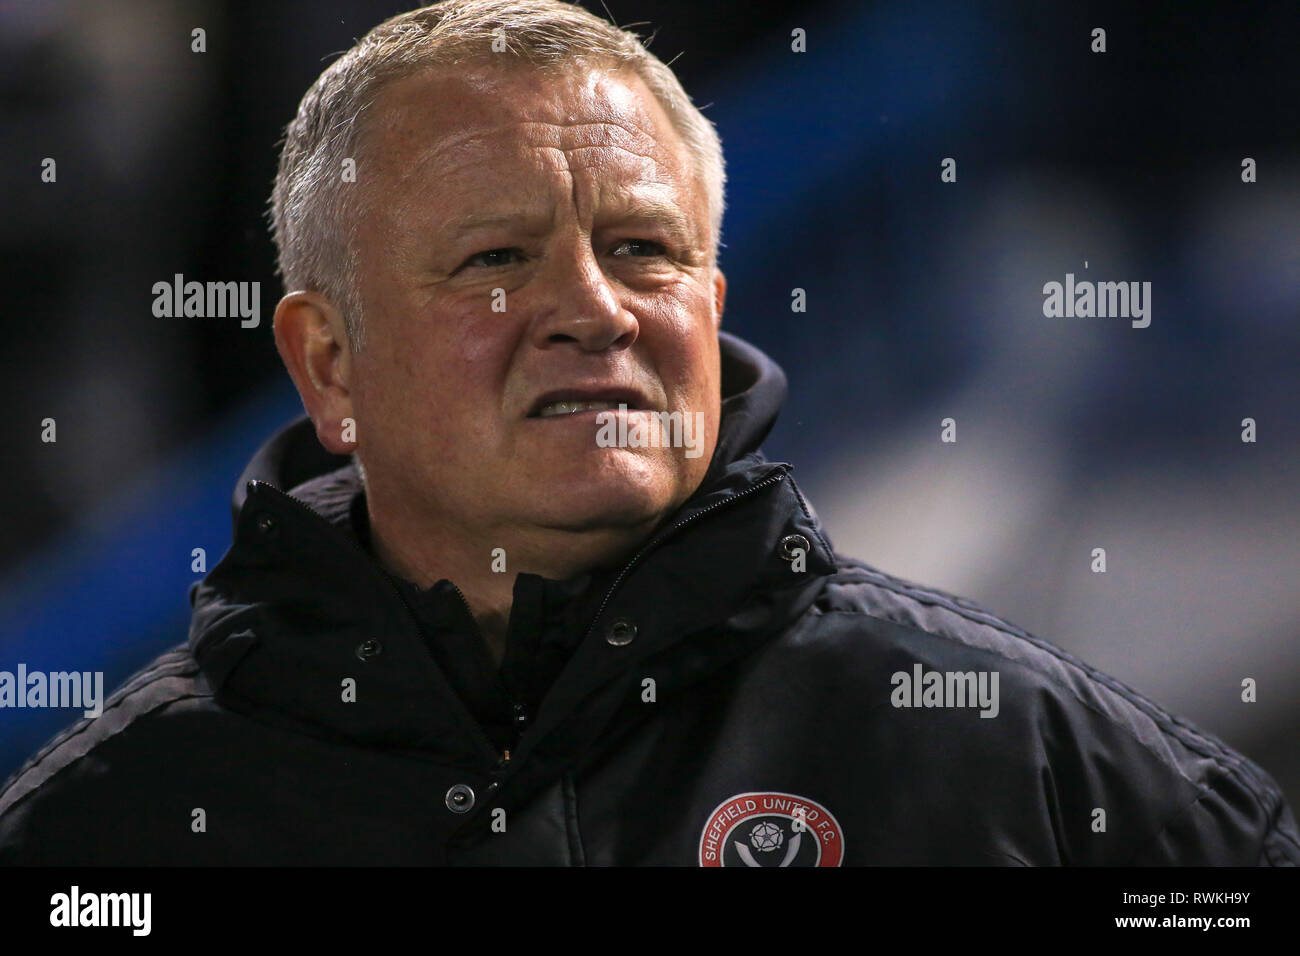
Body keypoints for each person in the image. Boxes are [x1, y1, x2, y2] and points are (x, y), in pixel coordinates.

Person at [1, 0, 1296, 866]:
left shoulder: (1021, 753)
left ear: (712, 310)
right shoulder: (110, 830)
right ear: (326, 362)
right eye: (498, 260)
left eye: (642, 252)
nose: (593, 311)